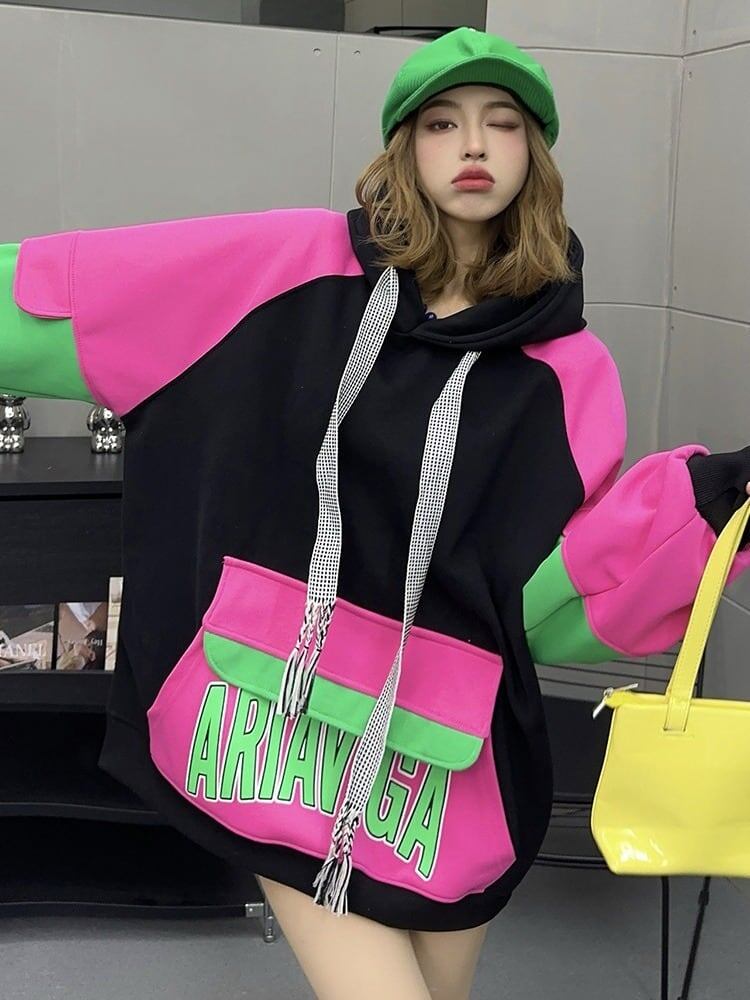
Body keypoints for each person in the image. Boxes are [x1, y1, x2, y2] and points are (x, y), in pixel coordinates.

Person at [2, 25, 750, 1000]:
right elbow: (94, 300)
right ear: (405, 146)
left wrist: (700, 507)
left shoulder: (572, 370)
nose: (473, 145)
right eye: (442, 123)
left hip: (446, 757)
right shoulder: (292, 268)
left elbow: (549, 593)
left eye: (502, 123)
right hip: (276, 721)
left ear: (534, 153)